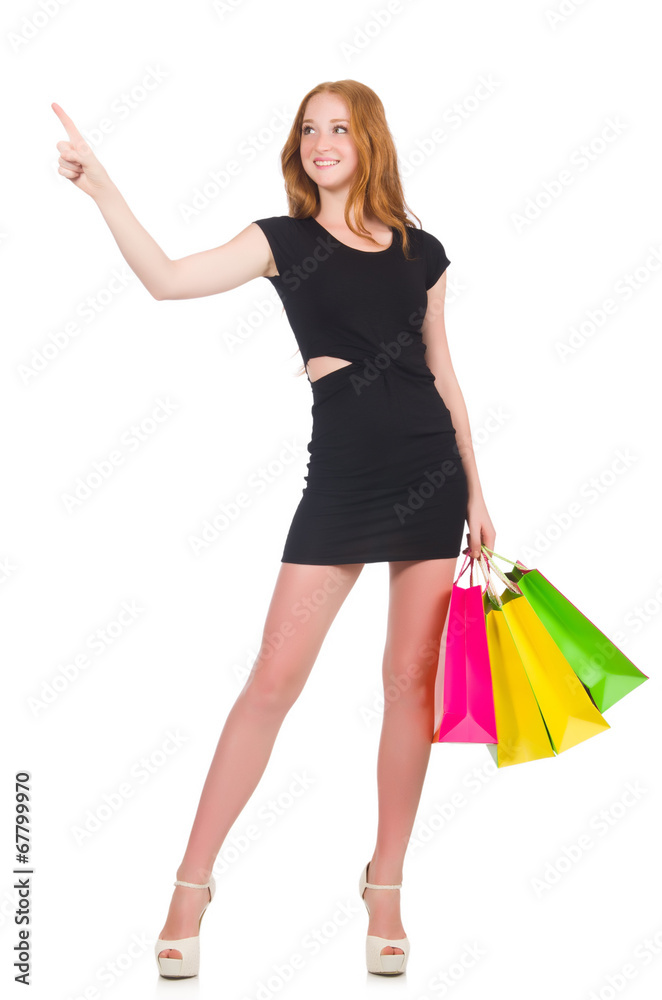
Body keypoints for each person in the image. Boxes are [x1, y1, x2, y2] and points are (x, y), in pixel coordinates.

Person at [52, 78, 496, 979]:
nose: (322, 141)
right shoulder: (281, 241)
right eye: (308, 130)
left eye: (339, 128)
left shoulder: (425, 252)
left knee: (409, 685)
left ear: (369, 139)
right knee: (272, 681)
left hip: (431, 479)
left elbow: (445, 376)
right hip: (341, 482)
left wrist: (480, 495)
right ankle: (191, 883)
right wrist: (102, 186)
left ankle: (387, 888)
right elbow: (168, 281)